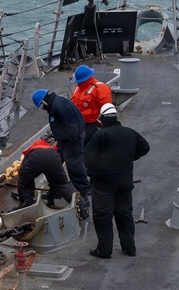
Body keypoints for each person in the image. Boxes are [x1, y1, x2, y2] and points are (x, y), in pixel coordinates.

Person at [84, 103, 150, 259]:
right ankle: (129, 248)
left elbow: (87, 158)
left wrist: (95, 170)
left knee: (103, 215)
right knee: (124, 214)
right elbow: (145, 147)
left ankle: (104, 250)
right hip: (125, 182)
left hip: (104, 183)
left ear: (102, 119)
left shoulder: (101, 135)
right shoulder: (130, 133)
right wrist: (129, 157)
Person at [32, 89, 90, 198]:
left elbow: (71, 125)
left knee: (75, 168)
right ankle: (56, 191)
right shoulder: (55, 105)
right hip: (65, 141)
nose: (42, 108)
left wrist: (71, 142)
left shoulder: (59, 105)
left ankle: (82, 195)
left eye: (41, 106)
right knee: (55, 165)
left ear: (44, 101)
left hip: (72, 141)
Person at [15, 139, 76, 208]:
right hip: (53, 156)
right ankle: (81, 207)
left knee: (25, 182)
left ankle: (28, 205)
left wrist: (21, 198)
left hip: (35, 157)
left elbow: (22, 177)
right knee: (61, 183)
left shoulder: (31, 149)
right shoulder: (50, 148)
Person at [70, 65, 113, 143]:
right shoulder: (78, 88)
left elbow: (106, 111)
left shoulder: (100, 89)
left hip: (92, 126)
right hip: (77, 124)